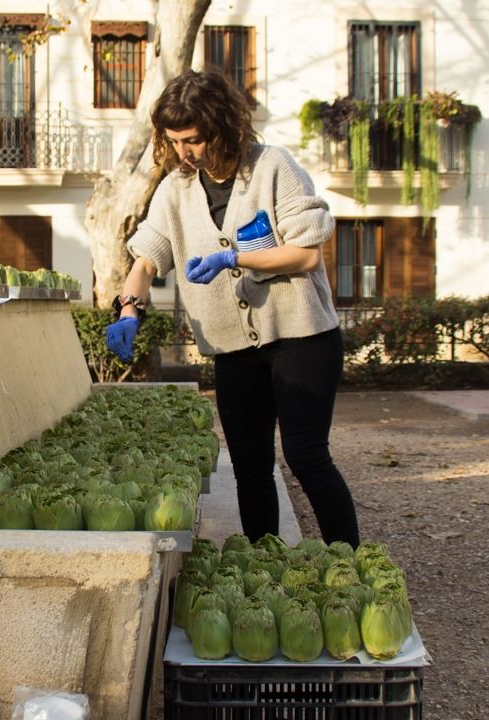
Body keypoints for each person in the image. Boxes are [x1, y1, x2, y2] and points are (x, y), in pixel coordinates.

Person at [105, 68, 360, 548]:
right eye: (175, 140)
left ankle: (347, 565)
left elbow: (307, 252)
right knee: (249, 466)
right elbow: (145, 259)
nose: (185, 152)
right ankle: (265, 569)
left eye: (195, 139)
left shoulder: (272, 168)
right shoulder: (175, 191)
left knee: (307, 457)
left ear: (223, 126)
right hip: (234, 350)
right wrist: (128, 310)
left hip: (301, 338)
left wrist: (234, 257)